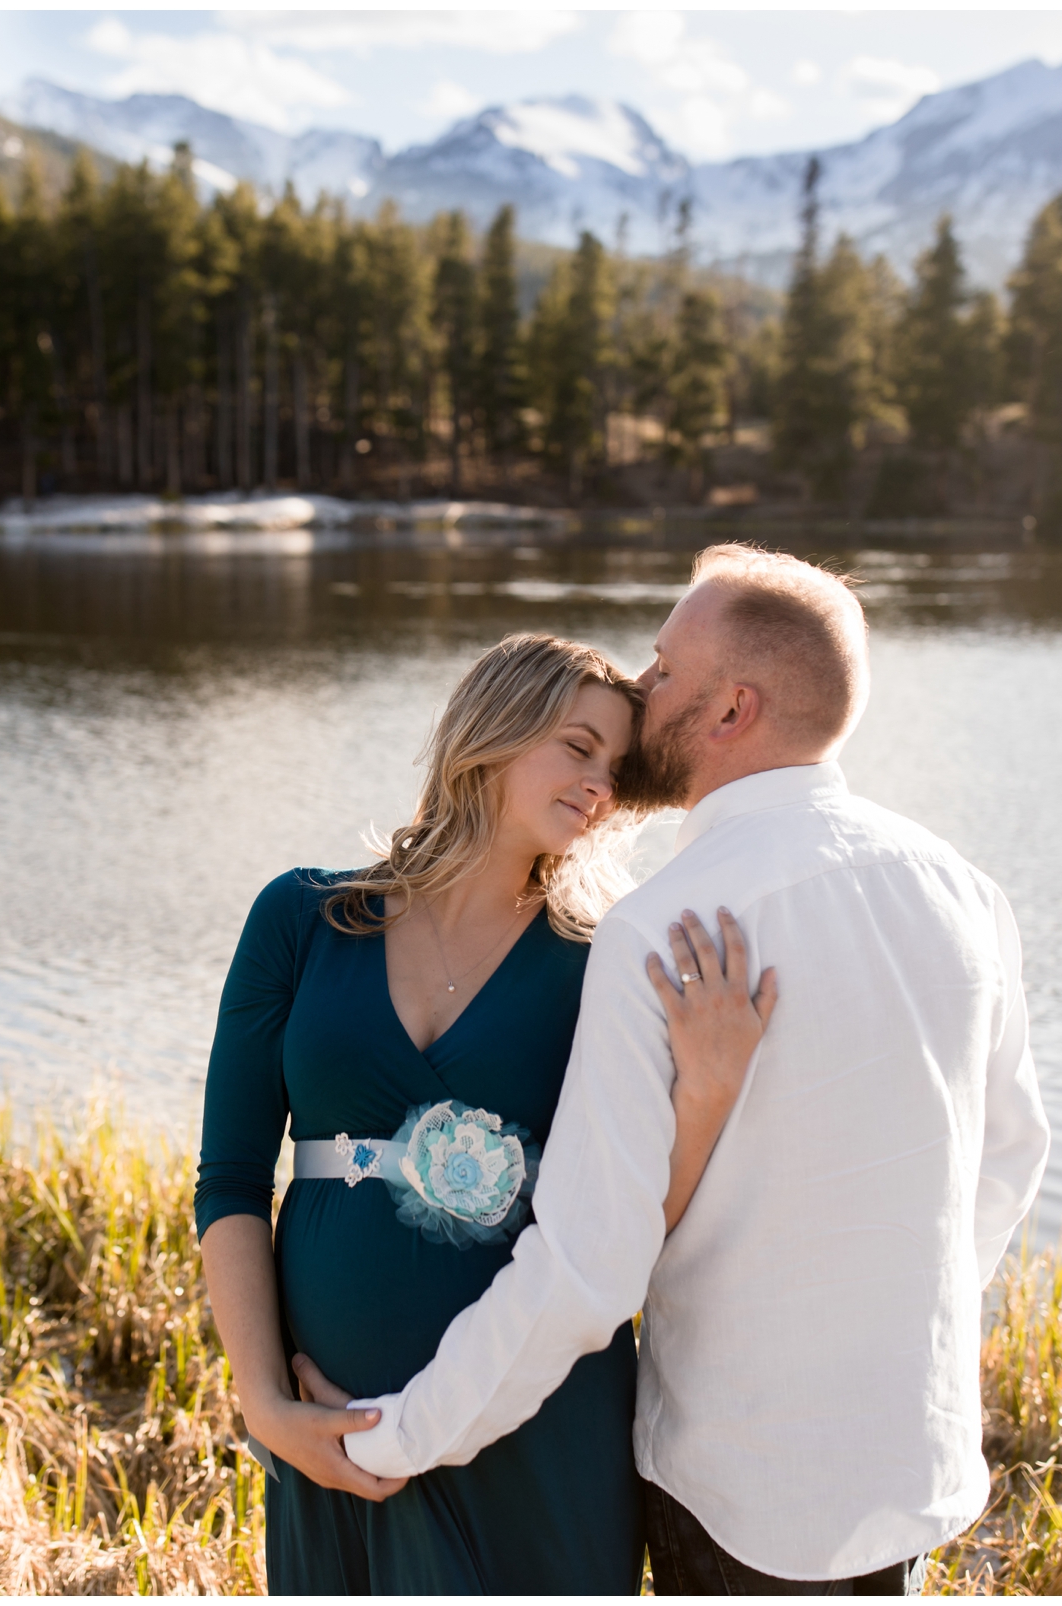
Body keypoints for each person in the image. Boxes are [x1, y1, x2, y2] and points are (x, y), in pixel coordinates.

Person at [336, 544, 1053, 1594]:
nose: (642, 687)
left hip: (738, 1486)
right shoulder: (964, 892)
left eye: (665, 670)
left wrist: (391, 1438)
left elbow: (584, 1268)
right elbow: (1010, 1156)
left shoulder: (663, 930)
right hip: (906, 1464)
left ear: (732, 711)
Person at [192, 633, 775, 1594]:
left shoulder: (605, 959)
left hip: (536, 1418)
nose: (600, 786)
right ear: (493, 732)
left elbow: (629, 1220)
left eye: (617, 770)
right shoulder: (300, 918)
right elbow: (232, 1179)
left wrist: (709, 1091)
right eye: (577, 747)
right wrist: (263, 1405)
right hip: (330, 1416)